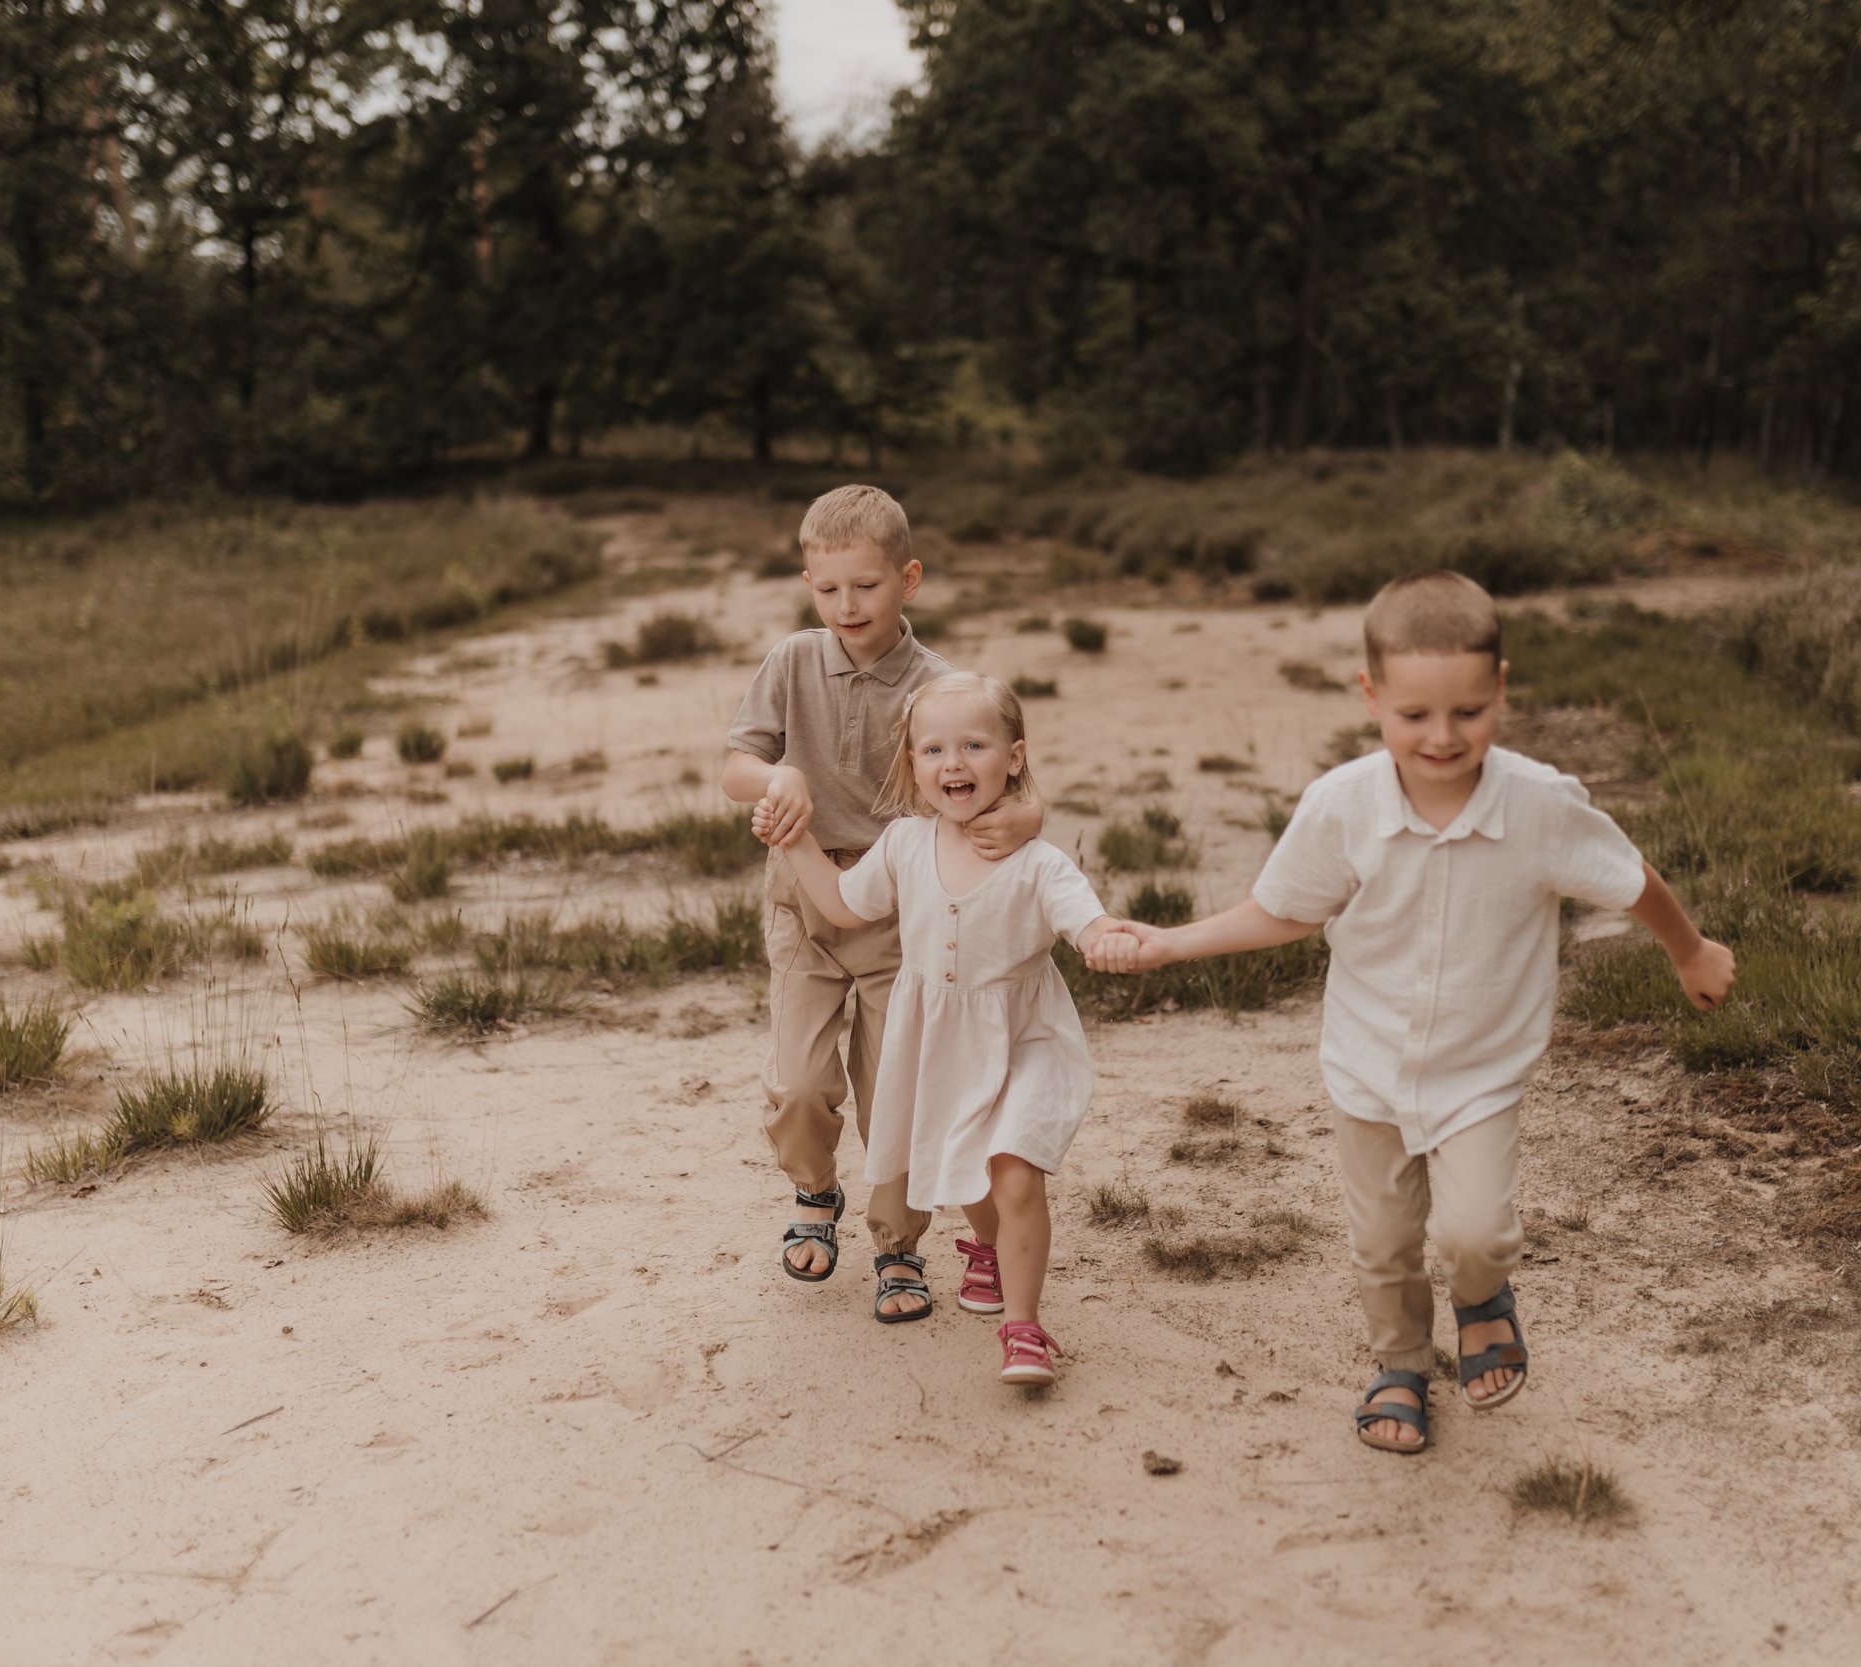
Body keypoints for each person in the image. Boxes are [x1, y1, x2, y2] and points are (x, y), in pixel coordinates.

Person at [1092, 570, 1735, 1452]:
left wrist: (1689, 950)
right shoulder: (1342, 806)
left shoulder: (1540, 804)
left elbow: (1631, 880)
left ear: (1500, 687)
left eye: (1468, 711)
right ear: (1371, 696)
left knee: (1475, 1232)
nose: (1442, 736)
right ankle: (1399, 1362)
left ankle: (1482, 1298)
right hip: (1368, 1064)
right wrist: (1171, 942)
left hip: (1481, 1068)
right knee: (1385, 1240)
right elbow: (1285, 910)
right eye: (1414, 714)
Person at [724, 486, 1042, 1324]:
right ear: (808, 584)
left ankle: (899, 1245)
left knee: (892, 1091)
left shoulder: (938, 685)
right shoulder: (792, 661)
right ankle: (815, 1190)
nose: (847, 605)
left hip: (901, 913)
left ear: (909, 578)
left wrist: (1029, 815)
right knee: (799, 1082)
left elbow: (998, 772)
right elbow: (735, 768)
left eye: (866, 585)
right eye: (828, 589)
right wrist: (777, 777)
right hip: (803, 900)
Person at [770, 671, 1132, 1386]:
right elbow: (843, 904)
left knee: (1015, 1173)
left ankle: (1023, 1329)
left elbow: (1084, 917)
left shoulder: (1038, 861)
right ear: (912, 764)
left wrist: (1105, 937)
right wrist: (796, 840)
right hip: (945, 1045)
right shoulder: (905, 843)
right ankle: (988, 1247)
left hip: (1026, 1040)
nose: (953, 763)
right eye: (933, 749)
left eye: (974, 746)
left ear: (1015, 756)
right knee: (967, 1170)